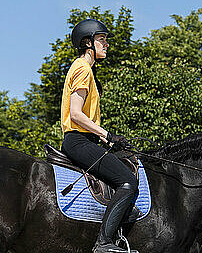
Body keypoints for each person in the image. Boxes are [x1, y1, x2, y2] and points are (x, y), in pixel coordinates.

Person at [60, 19, 139, 253]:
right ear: (87, 43)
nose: (106, 45)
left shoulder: (85, 70)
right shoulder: (83, 70)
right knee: (128, 180)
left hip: (86, 139)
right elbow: (75, 114)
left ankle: (120, 211)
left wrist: (105, 140)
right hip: (78, 141)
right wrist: (107, 134)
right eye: (101, 40)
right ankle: (103, 243)